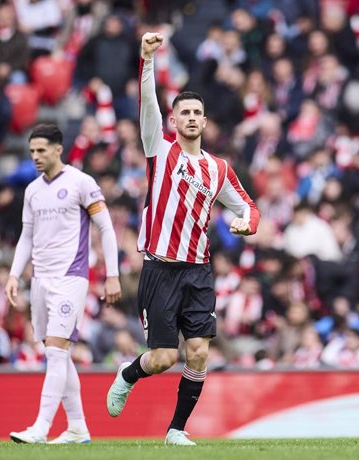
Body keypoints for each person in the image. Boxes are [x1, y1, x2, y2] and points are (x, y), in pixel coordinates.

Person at [105, 32, 260, 446]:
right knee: (163, 359)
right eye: (184, 112)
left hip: (198, 270)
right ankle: (128, 373)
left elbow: (247, 206)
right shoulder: (159, 147)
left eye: (197, 112)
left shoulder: (218, 168)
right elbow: (147, 102)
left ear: (205, 122)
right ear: (173, 121)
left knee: (198, 353)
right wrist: (148, 58)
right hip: (159, 270)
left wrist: (249, 223)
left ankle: (176, 429)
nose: (191, 117)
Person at [5, 124, 122, 444]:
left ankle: (41, 427)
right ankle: (77, 427)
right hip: (40, 280)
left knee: (56, 353)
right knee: (58, 353)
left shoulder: (81, 183)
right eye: (32, 152)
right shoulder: (32, 191)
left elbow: (107, 228)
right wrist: (15, 274)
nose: (36, 157)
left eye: (41, 150)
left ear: (58, 149)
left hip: (71, 277)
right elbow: (26, 237)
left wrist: (112, 274)